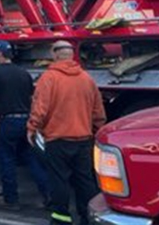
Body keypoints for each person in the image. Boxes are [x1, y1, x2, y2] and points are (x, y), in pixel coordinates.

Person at [27, 40, 106, 225]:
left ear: (54, 55)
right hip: (83, 139)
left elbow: (40, 108)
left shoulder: (49, 78)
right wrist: (97, 128)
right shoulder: (86, 79)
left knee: (59, 181)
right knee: (85, 180)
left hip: (58, 139)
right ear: (72, 55)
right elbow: (98, 111)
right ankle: (88, 217)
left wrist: (32, 128)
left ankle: (61, 219)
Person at [0, 40, 49, 211]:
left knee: (6, 160)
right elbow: (30, 96)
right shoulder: (23, 73)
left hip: (8, 121)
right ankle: (49, 196)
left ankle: (11, 200)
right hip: (25, 121)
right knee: (31, 159)